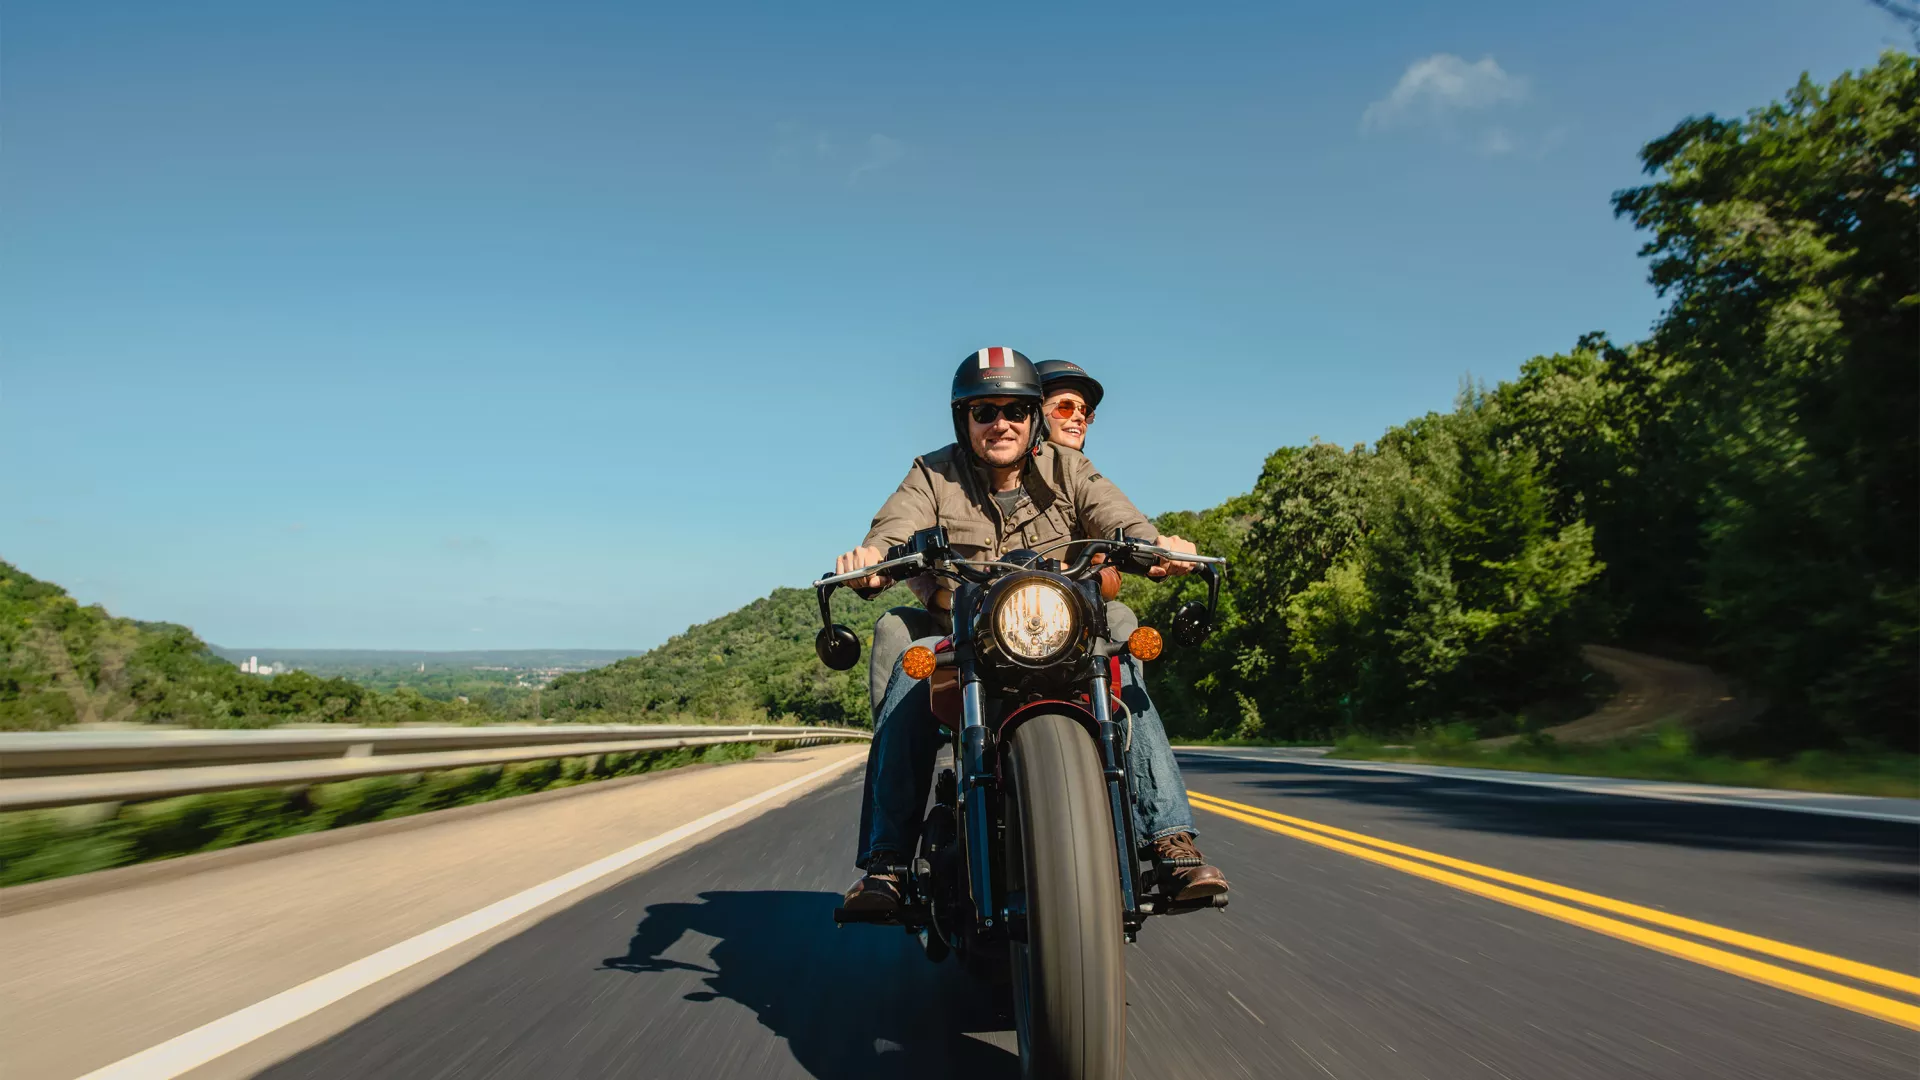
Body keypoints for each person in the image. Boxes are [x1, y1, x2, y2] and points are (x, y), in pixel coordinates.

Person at [840, 347, 1228, 912]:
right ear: (963, 419)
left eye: (1014, 411)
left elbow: (1116, 514)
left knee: (1123, 658)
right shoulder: (933, 472)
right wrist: (872, 557)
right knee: (910, 663)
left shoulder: (1069, 468)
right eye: (983, 412)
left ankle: (1169, 839)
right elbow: (895, 525)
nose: (1000, 423)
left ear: (1032, 418)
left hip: (1060, 631)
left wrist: (1156, 546)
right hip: (965, 633)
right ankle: (888, 862)